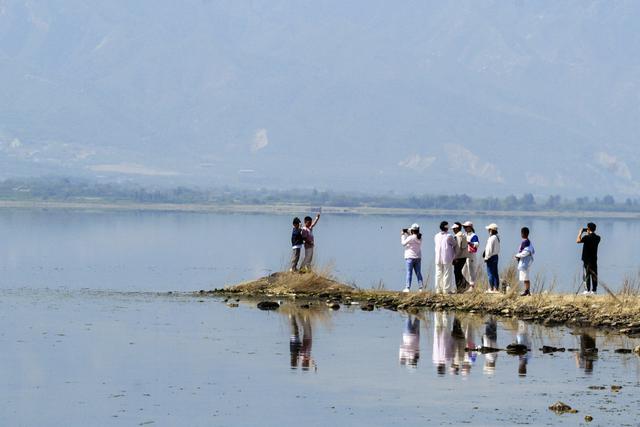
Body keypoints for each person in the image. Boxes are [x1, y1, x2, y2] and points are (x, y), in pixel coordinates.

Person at [576, 222, 601, 295]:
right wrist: (588, 233)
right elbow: (591, 239)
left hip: (586, 259)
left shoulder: (586, 237)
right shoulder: (598, 238)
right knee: (594, 274)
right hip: (594, 259)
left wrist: (580, 233)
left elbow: (577, 241)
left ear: (588, 229)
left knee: (586, 274)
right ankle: (594, 290)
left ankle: (587, 290)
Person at [434, 221, 457, 294]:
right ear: (447, 228)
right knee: (447, 273)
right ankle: (446, 290)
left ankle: (438, 289)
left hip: (438, 257)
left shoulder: (436, 235)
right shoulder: (449, 236)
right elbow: (454, 243)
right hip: (447, 257)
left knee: (438, 273)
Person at [401, 224, 423, 292]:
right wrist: (408, 233)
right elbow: (413, 238)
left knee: (409, 272)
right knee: (418, 273)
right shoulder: (420, 237)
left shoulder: (410, 237)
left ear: (412, 230)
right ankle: (421, 288)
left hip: (410, 257)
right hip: (418, 257)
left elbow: (403, 243)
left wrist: (403, 235)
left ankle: (407, 288)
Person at [514, 227, 535, 296]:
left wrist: (518, 255)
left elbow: (526, 252)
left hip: (525, 262)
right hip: (525, 262)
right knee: (525, 277)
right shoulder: (528, 242)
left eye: (522, 233)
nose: (521, 234)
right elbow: (532, 251)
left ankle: (527, 291)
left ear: (524, 234)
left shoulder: (526, 242)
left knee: (525, 277)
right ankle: (527, 291)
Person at [483, 223, 501, 293]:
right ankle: (496, 289)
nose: (488, 231)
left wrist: (486, 258)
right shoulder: (497, 237)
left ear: (491, 230)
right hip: (496, 256)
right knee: (495, 273)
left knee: (490, 273)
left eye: (489, 229)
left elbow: (489, 249)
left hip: (491, 257)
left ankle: (491, 288)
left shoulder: (491, 238)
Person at [462, 221, 479, 292]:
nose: (464, 228)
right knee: (463, 271)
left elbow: (476, 244)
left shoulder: (474, 236)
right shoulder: (464, 235)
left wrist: (469, 243)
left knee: (471, 270)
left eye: (466, 227)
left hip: (471, 255)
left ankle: (472, 286)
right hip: (464, 255)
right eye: (464, 227)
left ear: (470, 227)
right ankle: (464, 286)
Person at [452, 222, 469, 292]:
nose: (453, 230)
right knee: (458, 272)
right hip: (464, 256)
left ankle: (461, 287)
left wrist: (455, 258)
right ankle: (462, 287)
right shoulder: (463, 235)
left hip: (459, 257)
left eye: (454, 228)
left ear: (456, 228)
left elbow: (458, 247)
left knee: (457, 272)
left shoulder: (458, 236)